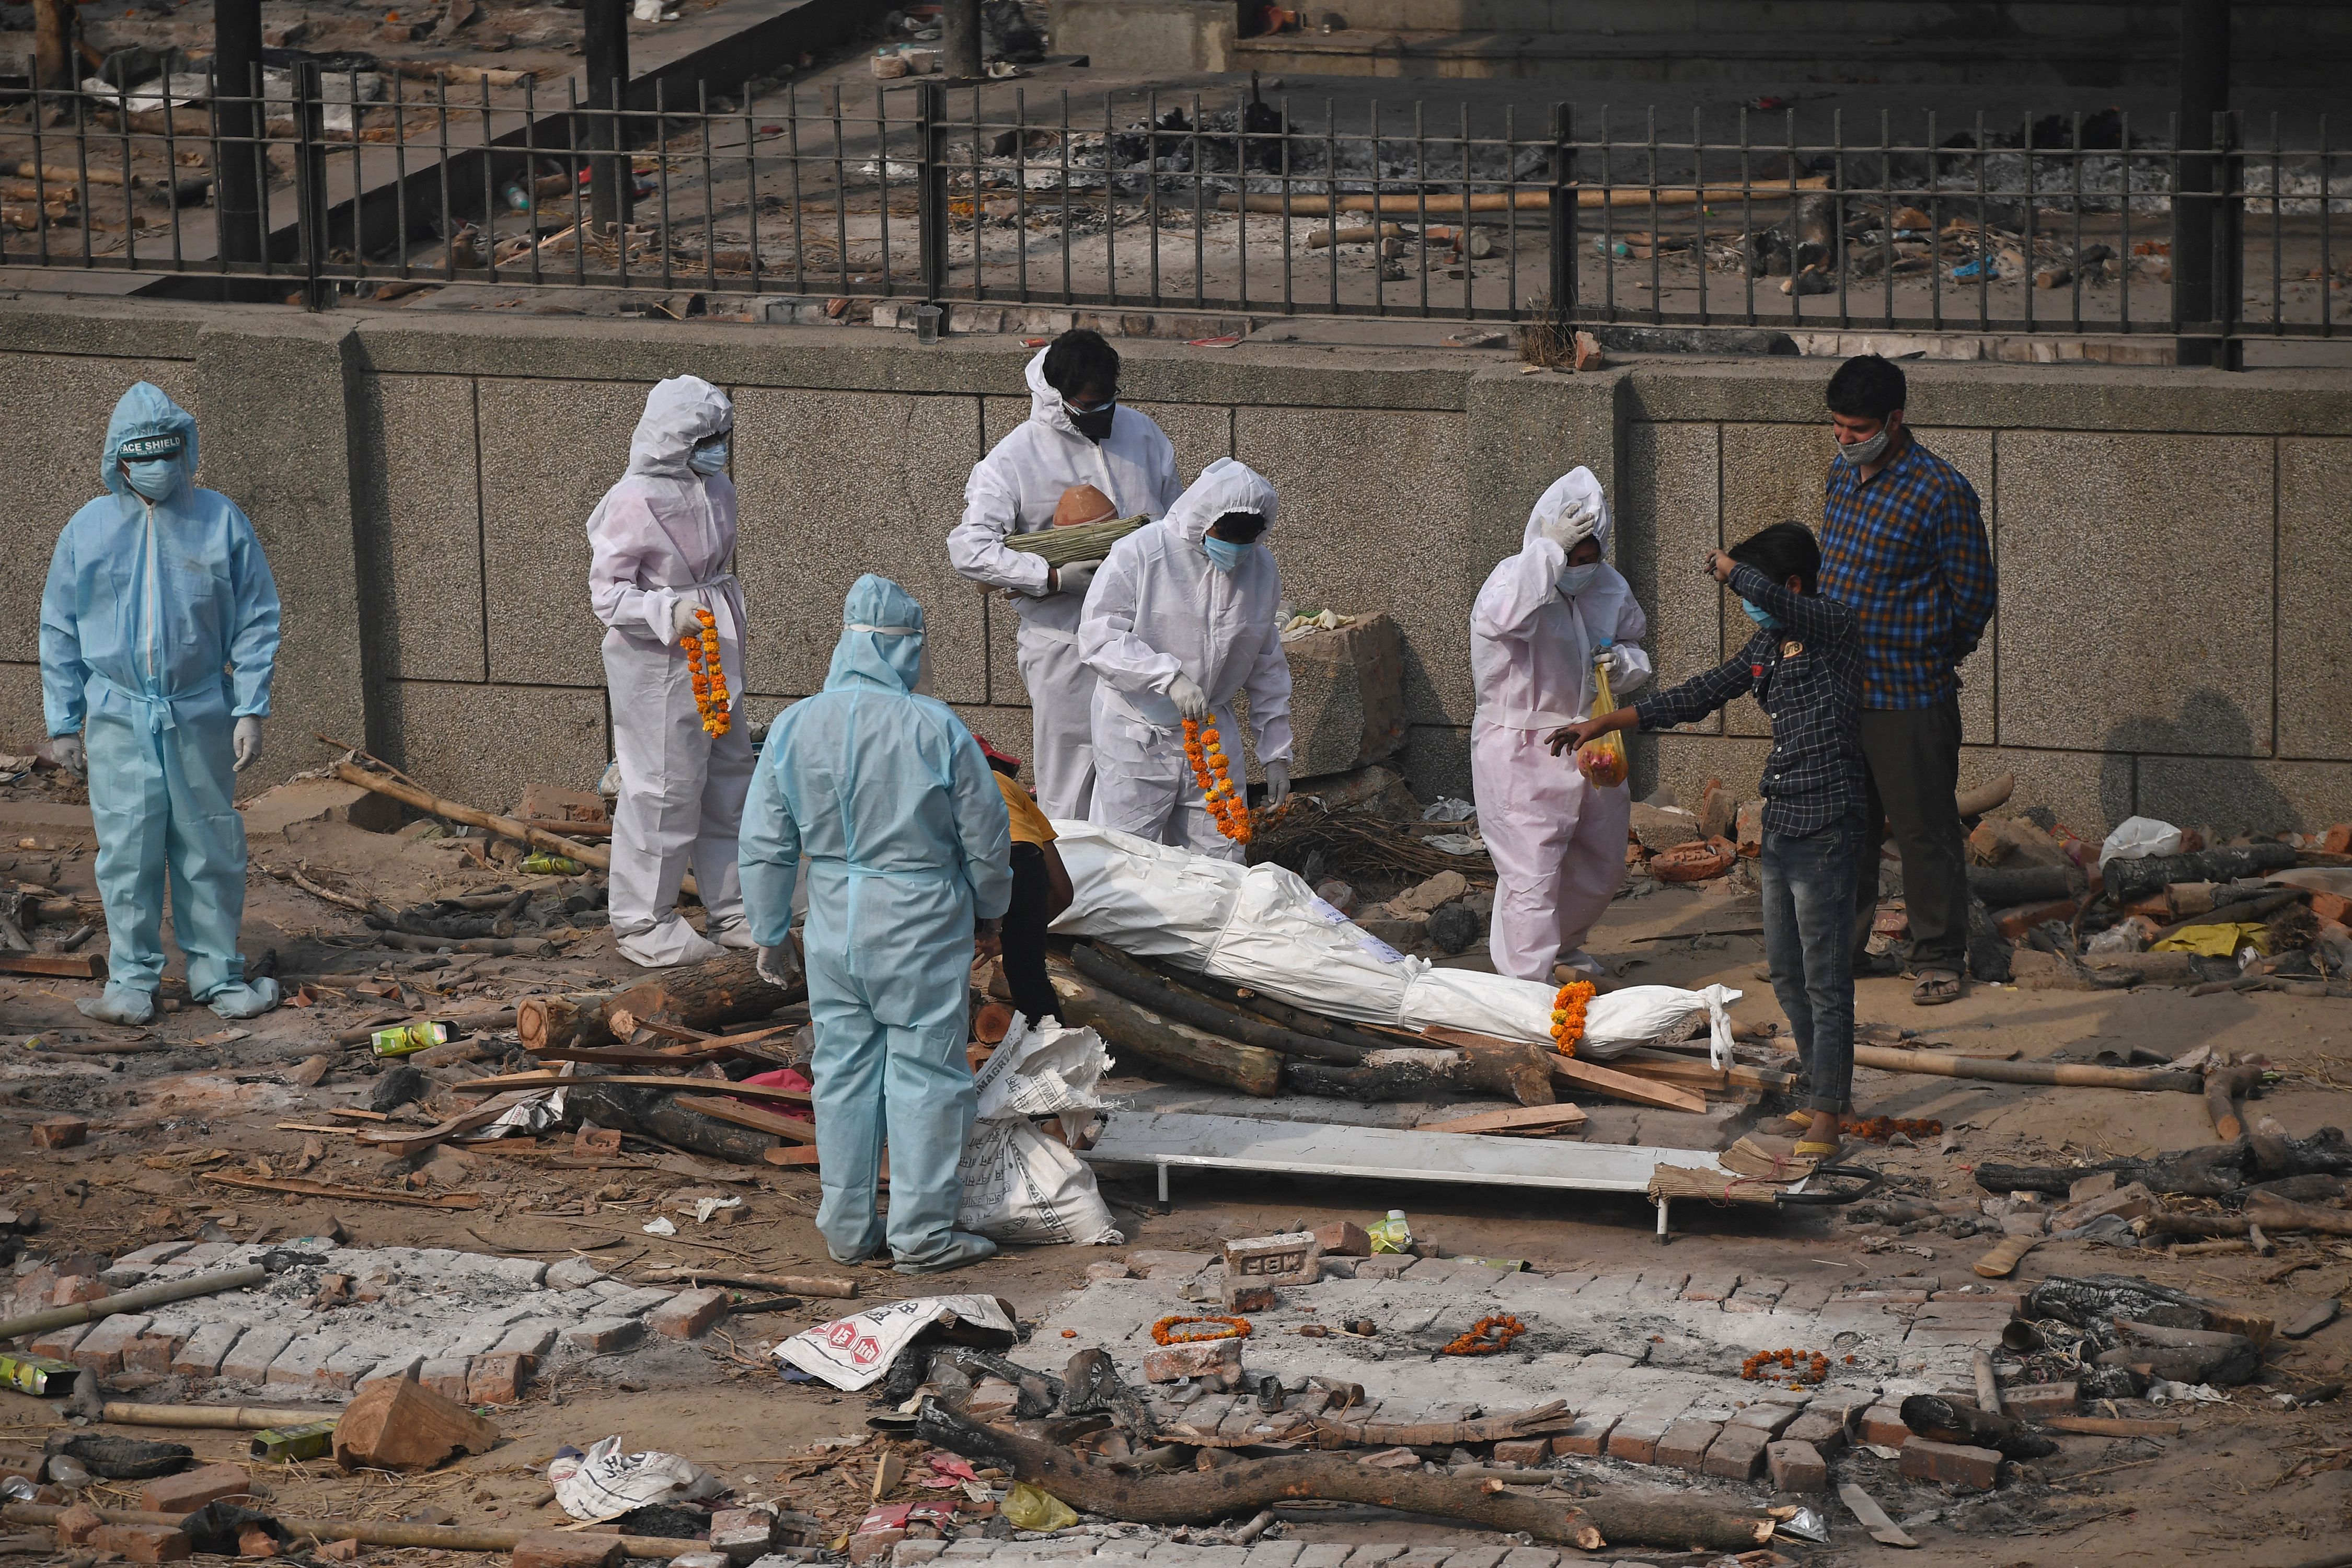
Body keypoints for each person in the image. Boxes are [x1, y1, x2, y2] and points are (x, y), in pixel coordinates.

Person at [1551, 523, 1866, 1158]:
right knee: (1786, 967)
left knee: (1827, 977)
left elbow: (1780, 600)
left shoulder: (1832, 627)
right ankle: (1818, 1093)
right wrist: (1609, 720)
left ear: (1793, 586)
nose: (1746, 601)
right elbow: (1702, 693)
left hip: (1828, 823)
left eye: (1755, 589)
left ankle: (1830, 1114)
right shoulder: (1770, 646)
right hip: (1782, 820)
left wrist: (1731, 569)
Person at [739, 575, 1013, 1273]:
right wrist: (992, 909)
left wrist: (770, 933)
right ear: (905, 647)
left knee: (843, 1075)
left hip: (835, 919)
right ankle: (923, 1236)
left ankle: (849, 1230)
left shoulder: (798, 724)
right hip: (921, 921)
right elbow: (985, 837)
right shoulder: (936, 726)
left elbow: (765, 841)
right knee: (925, 1075)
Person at [39, 382, 282, 1025]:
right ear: (119, 460)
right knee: (127, 847)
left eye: (167, 457)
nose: (157, 470)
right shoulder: (87, 530)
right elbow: (59, 627)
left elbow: (257, 617)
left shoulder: (220, 520)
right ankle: (130, 980)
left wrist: (250, 704)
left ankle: (218, 974)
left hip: (200, 705)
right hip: (118, 710)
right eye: (143, 458)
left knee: (209, 844)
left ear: (185, 454)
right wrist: (64, 720)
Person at [948, 329, 1183, 821]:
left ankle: (1138, 890)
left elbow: (1178, 524)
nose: (1102, 416)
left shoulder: (1142, 434)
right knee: (1071, 781)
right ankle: (1072, 891)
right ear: (1059, 398)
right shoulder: (1015, 458)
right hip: (1064, 642)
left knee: (1145, 776)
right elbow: (970, 549)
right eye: (1088, 406)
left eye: (1109, 403)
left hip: (1141, 639)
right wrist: (1052, 578)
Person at [1818, 354, 1995, 1007]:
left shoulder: (1940, 491)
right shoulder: (1844, 480)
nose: (1843, 438)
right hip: (1841, 690)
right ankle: (1845, 949)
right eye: (1836, 426)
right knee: (1849, 828)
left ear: (1895, 420)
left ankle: (1940, 956)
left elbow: (1973, 595)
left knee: (1924, 829)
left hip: (1909, 694)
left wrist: (1927, 651)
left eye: (1857, 427)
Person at [589, 374, 757, 970]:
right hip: (657, 661)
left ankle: (734, 908)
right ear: (676, 438)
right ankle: (643, 922)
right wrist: (664, 610)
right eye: (708, 436)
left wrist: (704, 613)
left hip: (713, 642)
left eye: (722, 435)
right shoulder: (632, 500)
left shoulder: (715, 487)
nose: (719, 446)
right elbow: (607, 596)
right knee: (662, 786)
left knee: (728, 776)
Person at [1470, 468, 1652, 984]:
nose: (1579, 568)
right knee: (1531, 873)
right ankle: (1524, 983)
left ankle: (1562, 951)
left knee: (1601, 863)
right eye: (1571, 557)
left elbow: (1637, 647)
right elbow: (1504, 620)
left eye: (1588, 558)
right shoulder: (1514, 579)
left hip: (1589, 739)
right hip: (1520, 750)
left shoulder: (1609, 587)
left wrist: (1621, 664)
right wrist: (1548, 557)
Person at [1078, 458, 1293, 860]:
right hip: (1139, 734)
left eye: (1247, 542)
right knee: (1126, 857)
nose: (1235, 551)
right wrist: (1168, 678)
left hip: (1211, 730)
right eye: (1225, 537)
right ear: (1202, 519)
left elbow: (1267, 663)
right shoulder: (1143, 552)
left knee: (1223, 857)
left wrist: (1277, 753)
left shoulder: (1260, 569)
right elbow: (1098, 637)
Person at [975, 736, 1074, 1025]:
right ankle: (1052, 1051)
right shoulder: (1012, 789)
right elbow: (1064, 892)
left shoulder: (948, 778)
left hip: (980, 858)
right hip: (1025, 859)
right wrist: (1017, 939)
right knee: (1028, 975)